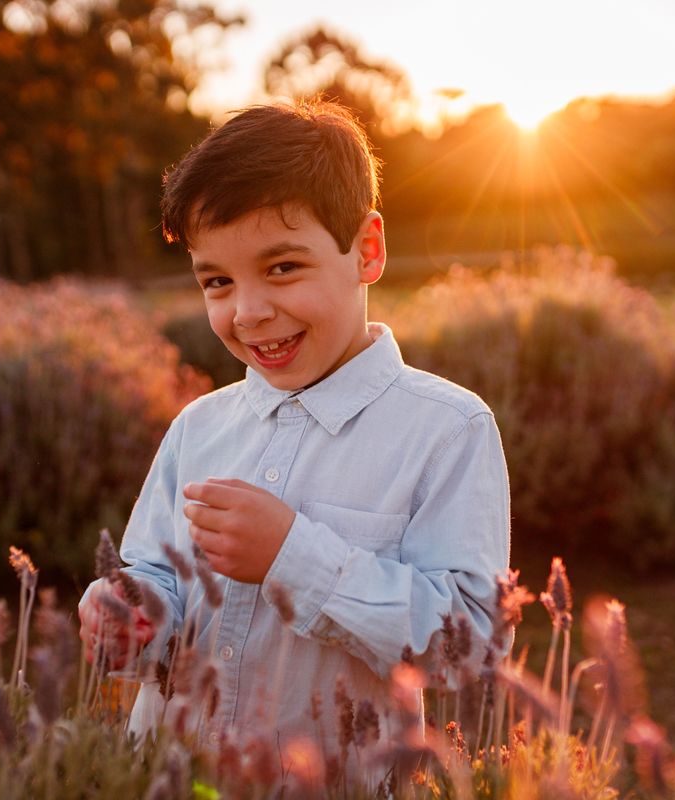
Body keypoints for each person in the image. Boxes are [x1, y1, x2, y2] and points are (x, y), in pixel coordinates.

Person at [78, 100, 510, 758]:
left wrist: (292, 557)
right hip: (170, 771)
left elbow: (468, 650)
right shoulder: (199, 427)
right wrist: (129, 612)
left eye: (282, 268)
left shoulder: (447, 430)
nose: (248, 312)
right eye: (217, 280)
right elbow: (157, 576)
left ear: (366, 250)